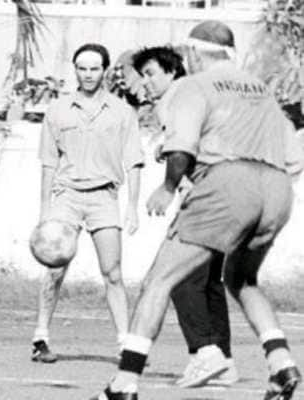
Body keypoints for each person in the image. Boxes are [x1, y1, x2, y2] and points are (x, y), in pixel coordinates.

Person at [94, 20, 303, 400]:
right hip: (277, 190)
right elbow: (295, 156)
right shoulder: (261, 91)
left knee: (159, 281)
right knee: (242, 281)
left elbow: (183, 147)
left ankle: (124, 383)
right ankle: (281, 365)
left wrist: (169, 186)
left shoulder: (194, 85)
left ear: (192, 53)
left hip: (227, 183)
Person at [132, 45, 238, 388]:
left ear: (172, 72)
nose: (145, 82)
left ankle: (206, 352)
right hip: (234, 193)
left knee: (176, 278)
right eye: (142, 76)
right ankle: (224, 361)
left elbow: (183, 151)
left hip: (210, 196)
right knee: (208, 281)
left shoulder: (179, 95)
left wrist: (167, 187)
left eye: (150, 74)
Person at [31, 43, 144, 363]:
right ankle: (40, 338)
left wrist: (132, 206)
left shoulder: (123, 112)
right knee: (55, 266)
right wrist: (44, 210)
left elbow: (134, 161)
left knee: (113, 272)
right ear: (75, 70)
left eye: (95, 68)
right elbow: (48, 162)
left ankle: (125, 344)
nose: (88, 74)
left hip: (104, 197)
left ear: (105, 70)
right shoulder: (58, 110)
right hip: (66, 196)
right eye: (82, 68)